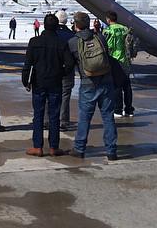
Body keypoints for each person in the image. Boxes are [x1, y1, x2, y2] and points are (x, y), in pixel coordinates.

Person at [67, 11, 117, 161]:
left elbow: (70, 64)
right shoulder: (100, 37)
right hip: (106, 81)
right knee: (108, 117)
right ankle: (111, 151)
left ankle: (79, 148)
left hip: (88, 82)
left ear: (75, 25)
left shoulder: (73, 42)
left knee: (84, 117)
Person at [22, 14, 74, 157]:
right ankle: (53, 147)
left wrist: (25, 81)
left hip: (38, 82)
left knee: (38, 115)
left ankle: (37, 146)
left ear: (44, 25)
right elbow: (70, 64)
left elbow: (27, 64)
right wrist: (61, 73)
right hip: (55, 82)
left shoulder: (34, 41)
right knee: (54, 115)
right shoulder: (61, 43)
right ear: (57, 27)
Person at [104, 12, 134, 118]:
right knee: (127, 86)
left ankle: (118, 109)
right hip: (126, 60)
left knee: (117, 86)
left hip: (115, 60)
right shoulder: (125, 28)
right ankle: (129, 110)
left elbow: (108, 46)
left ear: (108, 19)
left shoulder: (109, 30)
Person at [55, 10, 75, 130]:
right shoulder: (71, 35)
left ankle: (47, 120)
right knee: (65, 95)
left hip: (53, 69)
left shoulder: (52, 33)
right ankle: (63, 121)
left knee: (50, 94)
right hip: (67, 70)